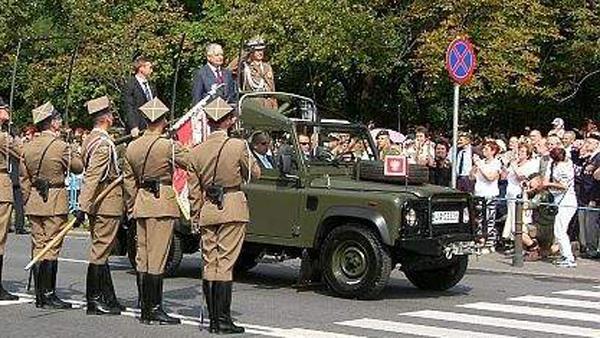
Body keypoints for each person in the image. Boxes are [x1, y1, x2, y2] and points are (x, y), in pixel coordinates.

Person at [188, 97, 261, 334]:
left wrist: (195, 215)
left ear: (209, 121)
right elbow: (255, 173)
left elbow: (193, 190)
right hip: (231, 205)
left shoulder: (196, 151)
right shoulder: (237, 146)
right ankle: (223, 319)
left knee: (211, 263)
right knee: (226, 264)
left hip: (208, 208)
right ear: (228, 121)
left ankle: (212, 319)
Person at [122, 98, 188, 325]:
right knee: (158, 257)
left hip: (141, 202)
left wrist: (132, 205)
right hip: (161, 203)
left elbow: (129, 182)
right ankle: (154, 307)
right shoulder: (168, 146)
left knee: (143, 257)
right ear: (162, 120)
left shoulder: (133, 146)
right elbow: (191, 162)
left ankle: (144, 305)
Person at [20, 102, 83, 308]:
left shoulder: (27, 147)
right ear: (53, 123)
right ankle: (48, 294)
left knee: (38, 245)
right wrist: (72, 147)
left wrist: (29, 199)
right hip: (55, 199)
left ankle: (40, 295)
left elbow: (24, 179)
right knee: (52, 247)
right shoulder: (60, 146)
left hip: (35, 200)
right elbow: (77, 167)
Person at [77, 96, 125, 315]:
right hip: (106, 202)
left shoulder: (90, 139)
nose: (113, 118)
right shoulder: (103, 145)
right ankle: (94, 300)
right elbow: (93, 176)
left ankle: (108, 296)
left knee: (101, 250)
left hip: (100, 202)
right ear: (106, 118)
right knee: (100, 252)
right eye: (112, 115)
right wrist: (82, 206)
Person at [0, 97, 21, 300]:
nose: (7, 111)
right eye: (5, 109)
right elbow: (21, 152)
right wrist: (13, 133)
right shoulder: (2, 137)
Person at [543, 147, 577, 267]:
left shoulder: (564, 167)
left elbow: (564, 186)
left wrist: (549, 184)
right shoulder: (553, 165)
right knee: (559, 230)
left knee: (560, 230)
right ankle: (564, 255)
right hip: (559, 200)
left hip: (567, 201)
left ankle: (569, 258)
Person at [501, 143, 539, 243]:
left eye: (522, 151)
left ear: (528, 154)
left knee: (519, 219)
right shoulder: (515, 163)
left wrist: (514, 167)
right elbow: (504, 177)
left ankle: (524, 243)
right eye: (519, 151)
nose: (519, 153)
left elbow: (522, 178)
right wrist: (505, 165)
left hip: (520, 195)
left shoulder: (530, 164)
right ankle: (512, 241)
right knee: (511, 217)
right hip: (510, 195)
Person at [471, 141, 502, 248]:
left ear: (493, 151)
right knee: (479, 218)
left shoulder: (496, 163)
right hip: (479, 193)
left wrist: (481, 166)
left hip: (490, 194)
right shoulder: (482, 162)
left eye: (487, 149)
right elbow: (471, 177)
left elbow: (490, 177)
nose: (484, 151)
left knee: (489, 218)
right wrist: (475, 166)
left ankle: (489, 239)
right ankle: (480, 238)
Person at [576, 133, 600, 258]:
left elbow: (597, 180)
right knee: (585, 225)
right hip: (583, 196)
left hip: (593, 196)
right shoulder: (588, 157)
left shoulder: (598, 157)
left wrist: (594, 198)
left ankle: (593, 250)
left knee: (591, 225)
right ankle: (587, 248)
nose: (587, 144)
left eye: (590, 143)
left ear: (597, 144)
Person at [123, 56, 156, 137]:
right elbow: (128, 107)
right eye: (150, 67)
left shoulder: (151, 86)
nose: (152, 70)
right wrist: (133, 126)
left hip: (153, 128)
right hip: (138, 130)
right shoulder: (130, 85)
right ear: (141, 68)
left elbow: (155, 104)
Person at [241, 37, 277, 108]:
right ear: (251, 52)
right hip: (252, 103)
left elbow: (272, 89)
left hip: (267, 103)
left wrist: (274, 106)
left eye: (261, 50)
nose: (260, 53)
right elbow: (231, 69)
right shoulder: (245, 66)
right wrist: (245, 53)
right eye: (257, 50)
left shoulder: (267, 67)